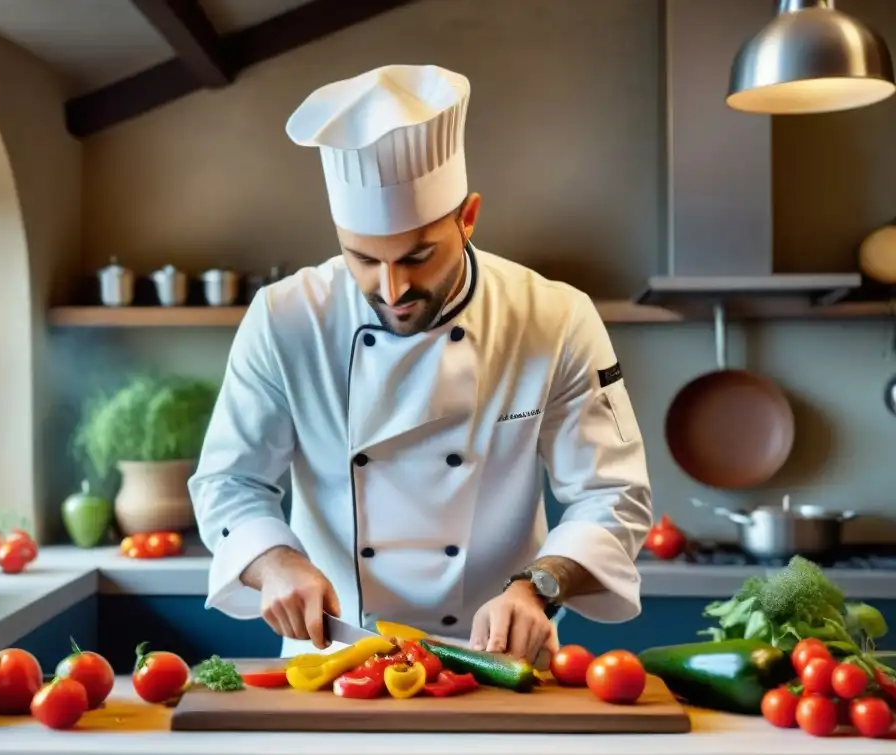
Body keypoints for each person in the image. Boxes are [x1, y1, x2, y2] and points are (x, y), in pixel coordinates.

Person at [189, 63, 654, 666]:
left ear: (468, 218)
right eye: (362, 258)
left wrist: (539, 587)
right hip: (336, 659)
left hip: (500, 657)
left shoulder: (555, 317)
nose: (391, 288)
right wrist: (275, 562)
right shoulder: (283, 319)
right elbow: (229, 483)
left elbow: (613, 492)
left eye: (418, 256)